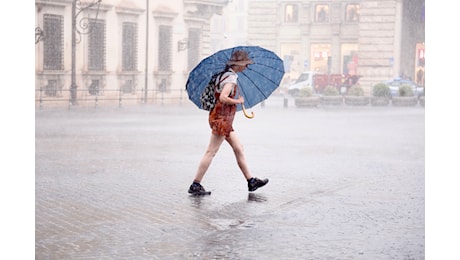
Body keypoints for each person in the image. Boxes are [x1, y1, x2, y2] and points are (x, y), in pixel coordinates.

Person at [188, 50, 269, 195]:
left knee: (238, 148)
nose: (246, 67)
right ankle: (195, 184)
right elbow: (223, 98)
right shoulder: (231, 78)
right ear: (238, 65)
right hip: (222, 119)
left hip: (221, 118)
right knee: (211, 152)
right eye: (245, 64)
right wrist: (237, 101)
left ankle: (251, 181)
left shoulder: (223, 75)